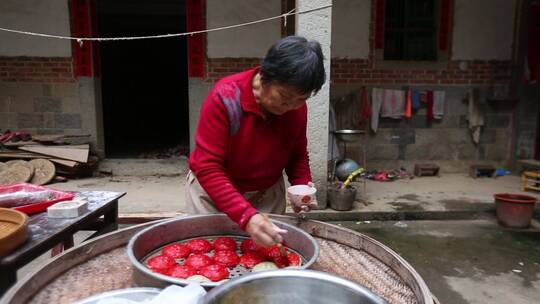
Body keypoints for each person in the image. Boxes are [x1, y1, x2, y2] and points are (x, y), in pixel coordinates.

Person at [185, 35, 326, 247]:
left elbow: (297, 154)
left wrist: (301, 188)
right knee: (209, 256)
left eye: (302, 99)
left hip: (266, 196)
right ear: (266, 75)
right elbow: (207, 166)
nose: (292, 106)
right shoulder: (225, 97)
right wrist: (246, 216)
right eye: (285, 96)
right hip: (213, 195)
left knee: (267, 260)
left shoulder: (296, 108)